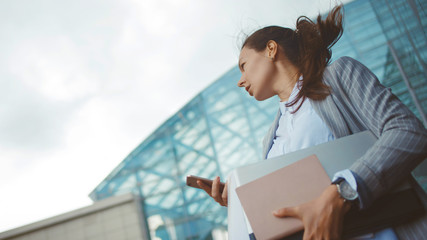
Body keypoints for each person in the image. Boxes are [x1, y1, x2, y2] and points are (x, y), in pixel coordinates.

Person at [197, 5, 427, 240]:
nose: (240, 81)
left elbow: (408, 132)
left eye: (243, 66)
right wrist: (244, 201)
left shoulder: (338, 76)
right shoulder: (270, 139)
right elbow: (292, 206)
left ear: (271, 49)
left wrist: (342, 192)